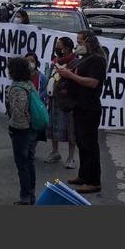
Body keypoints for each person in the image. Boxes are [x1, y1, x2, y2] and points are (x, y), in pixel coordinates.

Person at [57, 30, 106, 195]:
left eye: (80, 41)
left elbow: (92, 83)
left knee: (90, 145)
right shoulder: (84, 59)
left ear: (89, 42)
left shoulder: (97, 60)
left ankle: (93, 181)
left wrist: (70, 76)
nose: (78, 45)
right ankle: (84, 175)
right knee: (82, 143)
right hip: (79, 105)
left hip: (89, 107)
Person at [5, 56, 38, 205]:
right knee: (29, 162)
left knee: (22, 164)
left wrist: (13, 128)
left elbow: (18, 113)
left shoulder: (17, 88)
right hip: (31, 129)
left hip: (21, 130)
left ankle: (26, 196)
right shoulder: (28, 84)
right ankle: (31, 193)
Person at [44, 36, 77, 169]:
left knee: (70, 129)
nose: (56, 47)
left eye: (58, 44)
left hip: (67, 102)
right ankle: (55, 152)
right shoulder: (54, 62)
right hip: (53, 100)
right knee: (53, 127)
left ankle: (70, 157)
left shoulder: (75, 63)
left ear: (66, 49)